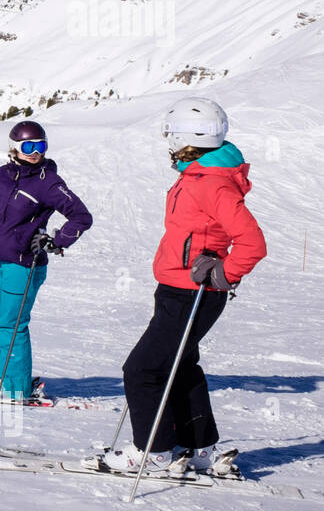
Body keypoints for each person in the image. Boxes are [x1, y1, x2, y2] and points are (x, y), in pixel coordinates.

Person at [103, 98, 266, 472]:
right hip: (179, 290)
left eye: (169, 134)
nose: (167, 142)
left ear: (182, 136)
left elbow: (253, 243)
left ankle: (154, 452)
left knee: (142, 370)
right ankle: (200, 448)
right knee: (179, 366)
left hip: (192, 294)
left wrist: (224, 273)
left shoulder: (210, 184)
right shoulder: (199, 175)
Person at [0, 120, 93, 399]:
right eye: (28, 146)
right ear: (14, 147)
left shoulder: (48, 183)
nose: (35, 152)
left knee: (12, 324)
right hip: (0, 259)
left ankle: (16, 389)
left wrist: (56, 240)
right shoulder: (2, 175)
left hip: (24, 263)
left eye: (40, 146)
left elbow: (82, 216)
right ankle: (1, 377)